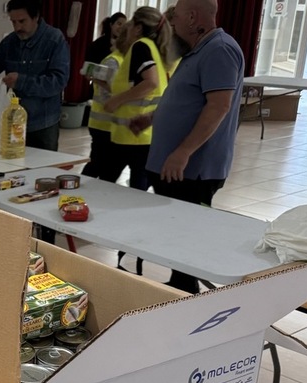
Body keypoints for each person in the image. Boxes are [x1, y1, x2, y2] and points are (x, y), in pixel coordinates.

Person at [132, 0, 244, 294]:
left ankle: (186, 293)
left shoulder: (219, 49)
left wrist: (182, 152)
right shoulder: (198, 49)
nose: (173, 23)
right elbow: (186, 100)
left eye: (177, 16)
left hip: (193, 171)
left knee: (186, 235)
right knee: (175, 232)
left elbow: (219, 106)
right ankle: (178, 287)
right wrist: (151, 118)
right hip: (177, 167)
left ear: (193, 17)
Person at [0, 0, 69, 151]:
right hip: (12, 124)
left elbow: (58, 82)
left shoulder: (54, 40)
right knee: (13, 169)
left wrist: (21, 81)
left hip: (43, 123)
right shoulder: (10, 42)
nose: (17, 27)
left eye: (22, 21)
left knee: (43, 169)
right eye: (13, 22)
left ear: (36, 17)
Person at [101, 7, 170, 191]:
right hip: (143, 133)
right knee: (137, 186)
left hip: (131, 133)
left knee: (105, 182)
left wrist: (117, 101)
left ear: (138, 28)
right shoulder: (155, 49)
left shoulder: (141, 46)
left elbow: (151, 83)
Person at [83, 16, 126, 179]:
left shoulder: (123, 58)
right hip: (103, 122)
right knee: (98, 165)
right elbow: (110, 88)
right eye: (118, 24)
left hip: (111, 123)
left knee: (106, 166)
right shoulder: (113, 60)